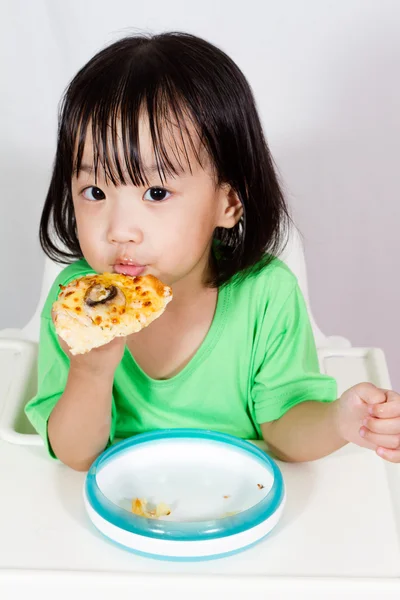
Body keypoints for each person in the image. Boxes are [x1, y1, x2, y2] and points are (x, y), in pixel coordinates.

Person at [24, 32, 400, 472]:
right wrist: (90, 372)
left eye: (157, 192)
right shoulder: (75, 305)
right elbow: (76, 455)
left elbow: (285, 432)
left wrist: (341, 421)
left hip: (243, 503)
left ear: (229, 203)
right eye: (94, 191)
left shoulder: (266, 296)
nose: (120, 230)